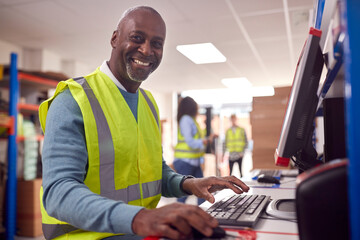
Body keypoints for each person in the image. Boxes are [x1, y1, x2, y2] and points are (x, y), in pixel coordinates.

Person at [39, 6, 249, 240]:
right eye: (137, 38)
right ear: (115, 38)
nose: (147, 50)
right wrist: (140, 217)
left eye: (157, 43)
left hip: (136, 231)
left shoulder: (148, 103)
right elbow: (58, 193)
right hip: (85, 235)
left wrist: (189, 184)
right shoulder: (73, 100)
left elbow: (153, 172)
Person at [173, 96, 209, 205]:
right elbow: (190, 142)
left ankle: (204, 214)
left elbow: (196, 140)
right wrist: (203, 142)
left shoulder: (192, 120)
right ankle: (177, 218)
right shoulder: (186, 120)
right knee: (183, 194)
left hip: (194, 162)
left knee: (203, 190)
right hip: (185, 162)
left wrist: (205, 140)